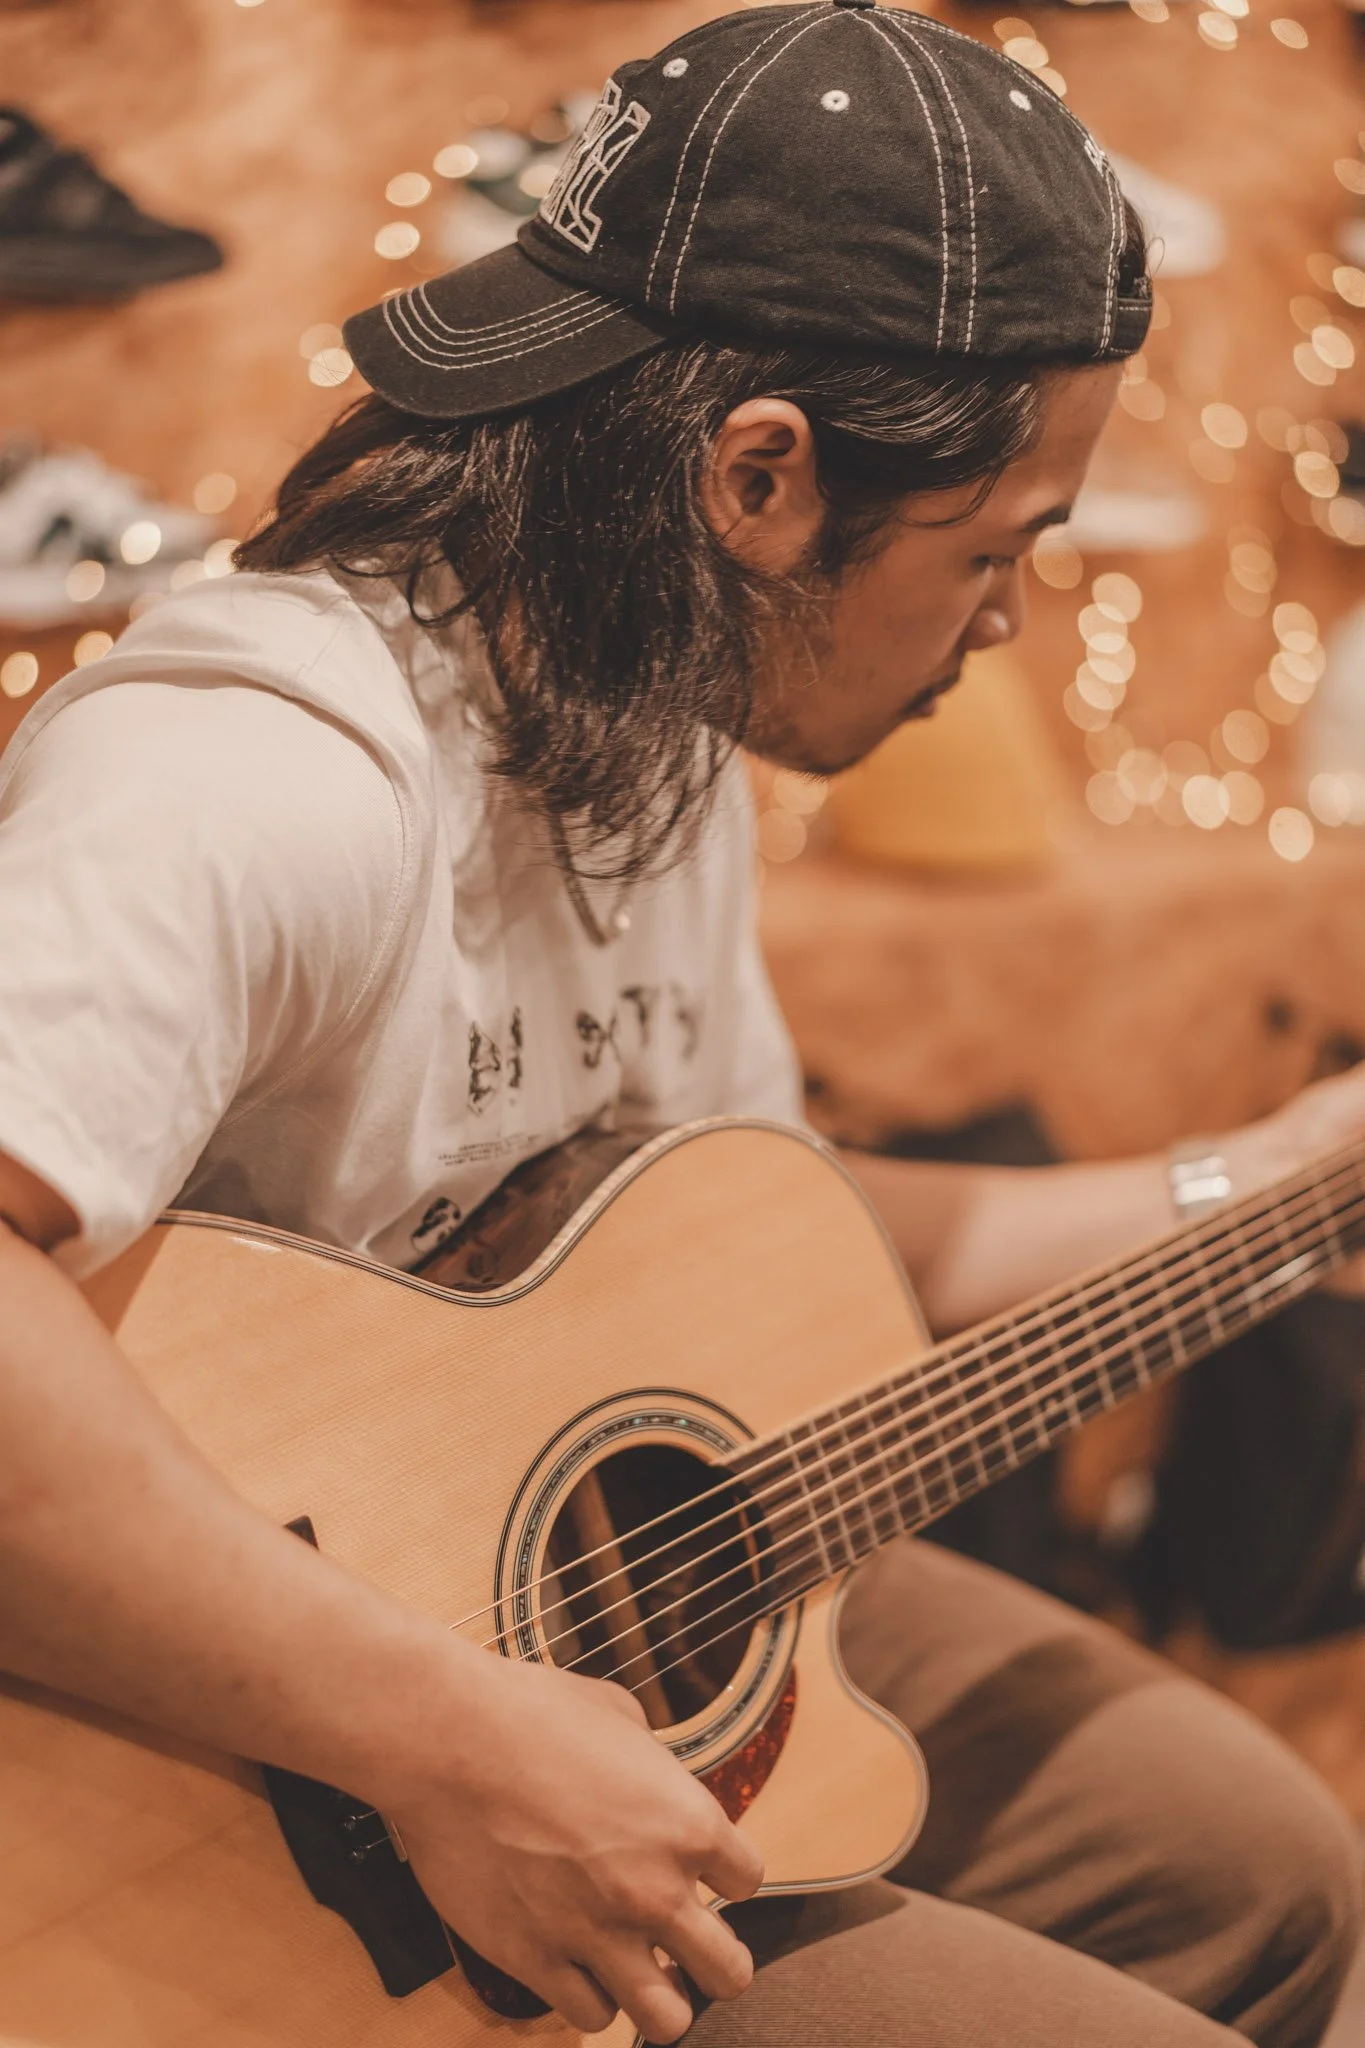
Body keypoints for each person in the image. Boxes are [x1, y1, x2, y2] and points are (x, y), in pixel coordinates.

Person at [1, 6, 1362, 2044]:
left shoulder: (651, 727)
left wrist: (1284, 1177)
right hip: (264, 1765)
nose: (1005, 623)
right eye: (991, 549)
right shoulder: (262, 775)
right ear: (757, 477)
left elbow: (744, 1233)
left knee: (1246, 1868)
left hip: (554, 1617)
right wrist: (447, 1736)